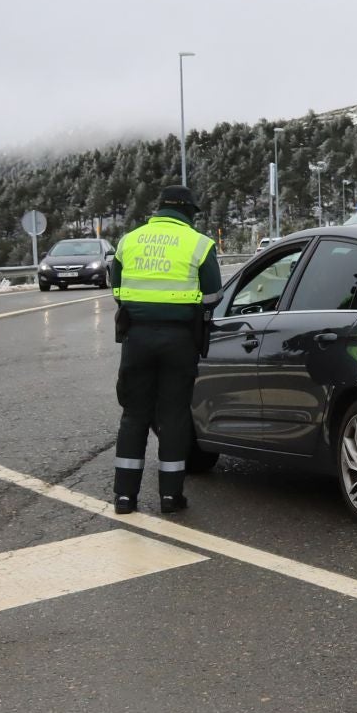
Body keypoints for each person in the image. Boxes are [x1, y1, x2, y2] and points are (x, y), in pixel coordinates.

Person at [111, 184, 221, 516]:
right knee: (174, 416)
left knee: (134, 416)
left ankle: (124, 498)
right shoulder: (199, 244)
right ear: (188, 212)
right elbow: (213, 296)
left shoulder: (129, 241)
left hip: (137, 338)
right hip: (179, 339)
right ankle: (171, 497)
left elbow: (118, 289)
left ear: (159, 210)